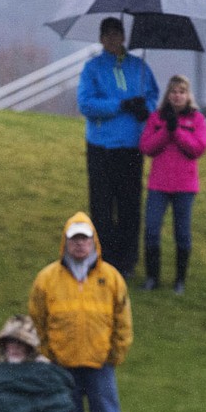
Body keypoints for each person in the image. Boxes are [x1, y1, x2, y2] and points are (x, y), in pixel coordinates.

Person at [28, 212, 134, 412]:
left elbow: (122, 320)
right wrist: (48, 354)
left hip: (100, 363)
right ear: (66, 241)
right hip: (62, 364)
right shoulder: (47, 278)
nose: (79, 244)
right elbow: (36, 321)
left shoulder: (110, 277)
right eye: (74, 239)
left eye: (84, 239)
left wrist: (115, 353)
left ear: (93, 241)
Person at [77, 17, 159, 278]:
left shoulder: (140, 67)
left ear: (124, 37)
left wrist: (144, 108)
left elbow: (153, 98)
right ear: (101, 39)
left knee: (129, 205)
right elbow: (86, 104)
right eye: (108, 35)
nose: (113, 39)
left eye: (117, 34)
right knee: (102, 206)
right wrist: (119, 105)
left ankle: (127, 261)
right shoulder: (93, 68)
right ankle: (104, 258)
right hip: (101, 146)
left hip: (132, 146)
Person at [138, 74, 206, 294]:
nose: (177, 96)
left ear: (188, 95)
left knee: (182, 234)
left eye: (181, 92)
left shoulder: (196, 119)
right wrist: (166, 130)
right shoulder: (157, 117)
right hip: (159, 184)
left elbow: (198, 148)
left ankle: (180, 280)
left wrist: (176, 131)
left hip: (184, 186)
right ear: (167, 95)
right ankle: (152, 277)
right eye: (173, 92)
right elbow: (147, 146)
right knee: (151, 230)